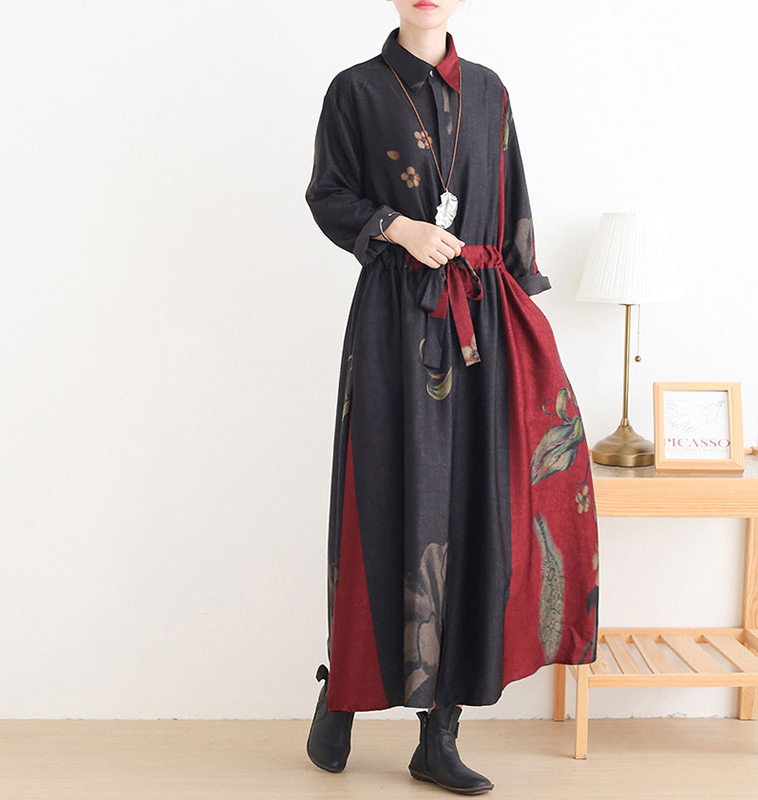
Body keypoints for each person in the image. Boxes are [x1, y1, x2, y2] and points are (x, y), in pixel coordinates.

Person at [303, 1, 600, 794]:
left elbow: (514, 208)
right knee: (378, 504)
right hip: (392, 328)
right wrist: (396, 227)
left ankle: (439, 737)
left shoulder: (491, 92)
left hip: (481, 330)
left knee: (471, 517)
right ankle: (344, 693)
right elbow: (327, 194)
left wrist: (524, 324)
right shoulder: (355, 90)